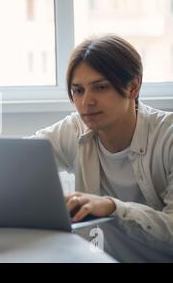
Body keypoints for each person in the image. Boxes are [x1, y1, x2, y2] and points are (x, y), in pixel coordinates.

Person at [33, 35, 173, 262]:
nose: (86, 102)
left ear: (133, 87)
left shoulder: (168, 136)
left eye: (100, 87)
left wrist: (112, 207)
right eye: (78, 90)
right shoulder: (75, 128)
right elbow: (18, 157)